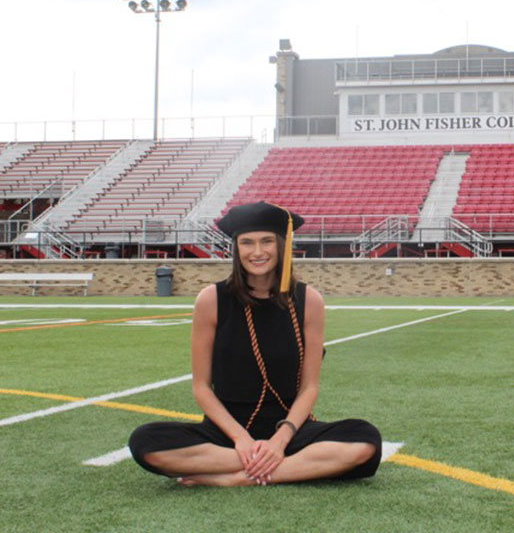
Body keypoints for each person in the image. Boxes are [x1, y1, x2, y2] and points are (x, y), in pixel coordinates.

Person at [129, 201, 381, 486]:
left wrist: (279, 440)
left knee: (365, 439)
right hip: (227, 432)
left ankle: (237, 478)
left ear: (281, 246)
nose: (257, 252)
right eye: (247, 243)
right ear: (236, 249)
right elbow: (201, 388)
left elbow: (309, 387)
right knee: (145, 442)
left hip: (289, 429)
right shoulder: (212, 300)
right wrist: (241, 439)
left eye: (267, 242)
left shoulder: (309, 301)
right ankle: (287, 468)